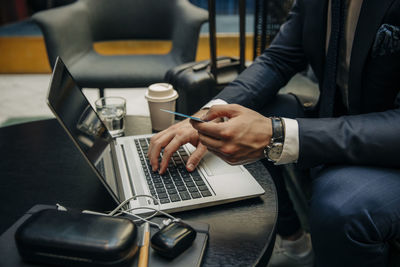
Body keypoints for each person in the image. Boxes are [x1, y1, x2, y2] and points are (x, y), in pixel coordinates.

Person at [147, 0, 400, 266]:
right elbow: (278, 58)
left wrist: (277, 134)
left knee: (340, 207)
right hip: (338, 114)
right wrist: (209, 114)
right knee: (246, 114)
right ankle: (294, 240)